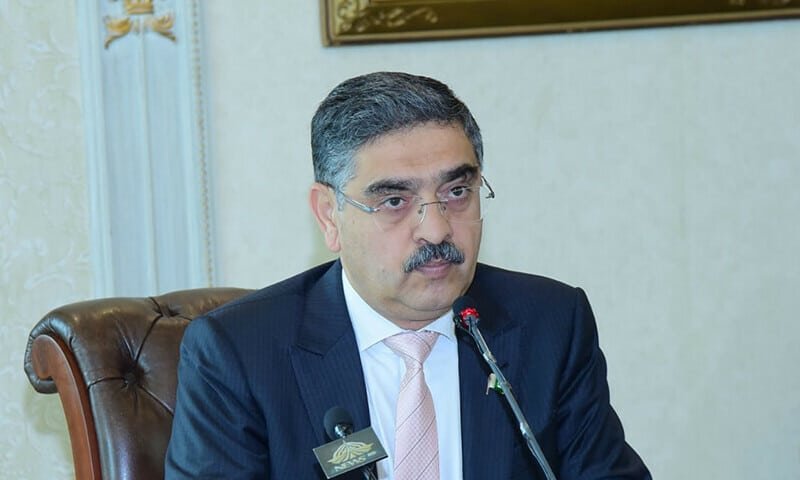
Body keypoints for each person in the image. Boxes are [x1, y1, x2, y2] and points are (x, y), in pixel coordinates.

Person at [165, 71, 651, 479]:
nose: (437, 229)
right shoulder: (239, 354)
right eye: (395, 201)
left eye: (457, 192)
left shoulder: (551, 323)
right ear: (329, 215)